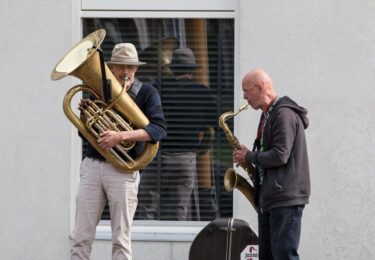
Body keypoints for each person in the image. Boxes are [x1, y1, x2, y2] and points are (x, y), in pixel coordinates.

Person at [70, 43, 167, 260]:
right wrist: (87, 119)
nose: (126, 72)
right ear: (111, 67)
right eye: (121, 66)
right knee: (81, 236)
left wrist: (121, 136)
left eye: (131, 67)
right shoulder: (97, 89)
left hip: (123, 171)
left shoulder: (147, 93)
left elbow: (159, 129)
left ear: (136, 69)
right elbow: (85, 136)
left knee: (121, 239)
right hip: (93, 167)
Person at [233, 69, 310, 260]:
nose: (244, 96)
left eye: (246, 90)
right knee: (267, 256)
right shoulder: (268, 114)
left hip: (285, 198)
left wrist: (250, 156)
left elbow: (280, 155)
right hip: (270, 198)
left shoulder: (283, 114)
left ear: (259, 88)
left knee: (284, 255)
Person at [137, 48, 217, 220]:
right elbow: (213, 127)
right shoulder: (203, 92)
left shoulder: (156, 89)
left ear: (173, 68)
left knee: (147, 209)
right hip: (185, 160)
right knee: (179, 211)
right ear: (192, 70)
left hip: (154, 156)